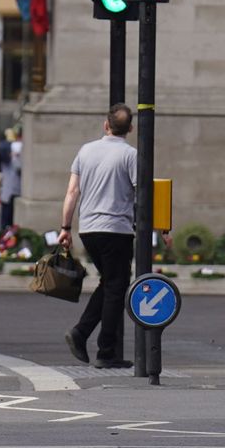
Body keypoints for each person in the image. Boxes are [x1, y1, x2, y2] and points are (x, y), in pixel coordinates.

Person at [60, 104, 139, 369]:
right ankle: (105, 350)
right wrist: (159, 227)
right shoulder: (130, 155)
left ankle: (82, 334)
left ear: (106, 125)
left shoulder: (86, 151)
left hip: (88, 229)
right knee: (117, 286)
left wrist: (65, 228)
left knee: (109, 283)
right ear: (130, 128)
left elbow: (72, 192)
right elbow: (143, 193)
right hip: (116, 229)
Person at [0, 127, 24, 232]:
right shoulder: (18, 147)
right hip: (13, 188)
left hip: (9, 188)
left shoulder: (12, 147)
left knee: (6, 222)